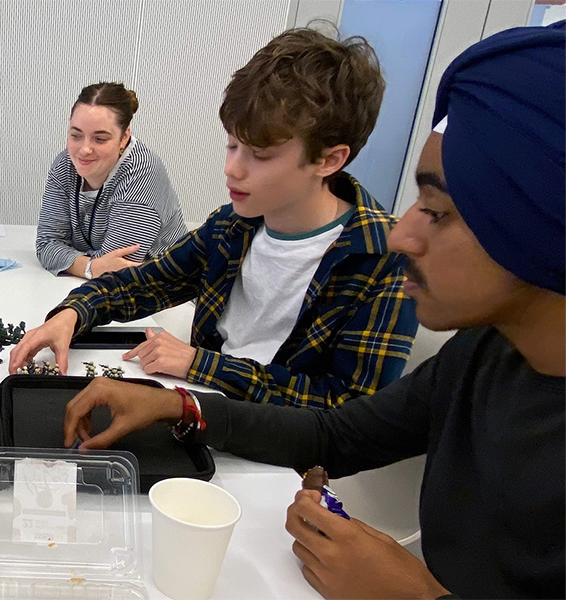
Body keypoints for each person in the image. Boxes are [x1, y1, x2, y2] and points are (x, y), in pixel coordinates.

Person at [62, 22, 565, 598]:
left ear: (537, 229)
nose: (403, 236)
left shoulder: (374, 257)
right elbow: (334, 434)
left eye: (439, 210)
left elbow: (338, 405)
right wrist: (178, 405)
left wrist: (417, 595)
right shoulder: (486, 354)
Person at [12, 27, 418, 409]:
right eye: (232, 145)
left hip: (281, 456)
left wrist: (199, 364)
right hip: (201, 414)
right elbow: (137, 284)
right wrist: (71, 314)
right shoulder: (232, 226)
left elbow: (345, 410)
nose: (232, 169)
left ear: (329, 159)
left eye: (259, 155)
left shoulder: (387, 259)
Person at [35, 81, 188, 279]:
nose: (84, 150)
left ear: (124, 138)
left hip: (166, 291)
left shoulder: (142, 173)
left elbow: (118, 268)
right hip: (93, 287)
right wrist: (90, 266)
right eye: (76, 135)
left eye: (100, 139)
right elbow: (46, 245)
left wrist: (72, 260)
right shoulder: (65, 164)